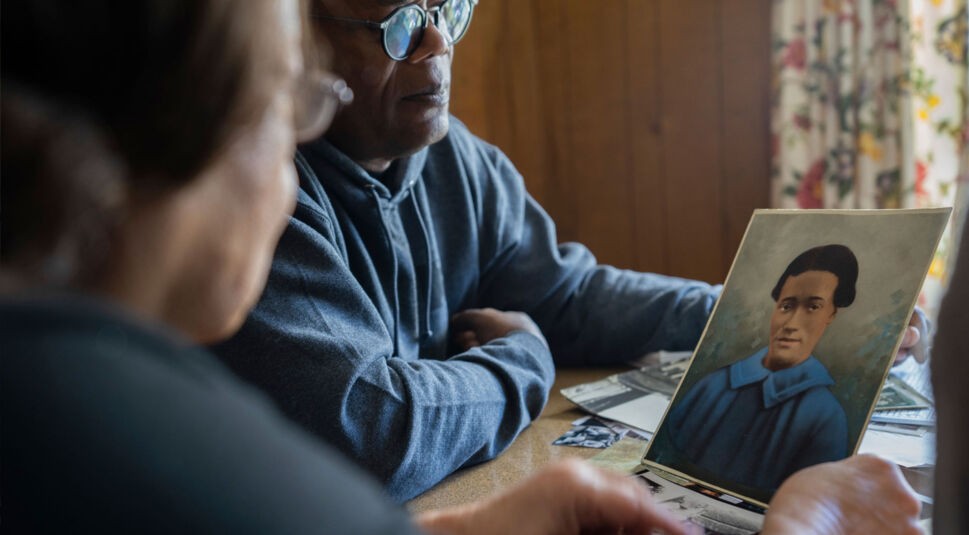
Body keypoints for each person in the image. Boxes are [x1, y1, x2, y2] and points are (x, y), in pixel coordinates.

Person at [0, 1, 926, 533]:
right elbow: (366, 426)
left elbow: (569, 292)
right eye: (285, 103)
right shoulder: (125, 440)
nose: (439, 41)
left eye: (451, 6)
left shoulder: (459, 161)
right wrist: (806, 525)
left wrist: (734, 310)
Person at [665, 244, 856, 496]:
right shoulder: (711, 386)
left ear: (832, 313)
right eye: (786, 306)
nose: (791, 323)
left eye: (813, 307)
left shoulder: (826, 417)